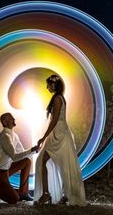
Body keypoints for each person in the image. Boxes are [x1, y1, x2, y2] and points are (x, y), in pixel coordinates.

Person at [34, 74, 86, 206]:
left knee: (61, 164)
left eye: (48, 85)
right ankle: (55, 194)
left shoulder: (57, 99)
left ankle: (54, 194)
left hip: (59, 134)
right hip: (58, 133)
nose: (46, 87)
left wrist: (43, 137)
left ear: (54, 85)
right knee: (56, 163)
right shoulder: (58, 98)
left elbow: (55, 119)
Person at [0, 112, 38, 204]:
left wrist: (34, 151)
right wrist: (31, 150)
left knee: (26, 161)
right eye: (11, 118)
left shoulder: (14, 135)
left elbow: (22, 154)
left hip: (5, 171)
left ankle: (23, 193)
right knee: (13, 199)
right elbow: (15, 157)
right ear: (5, 122)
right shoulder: (5, 137)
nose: (14, 119)